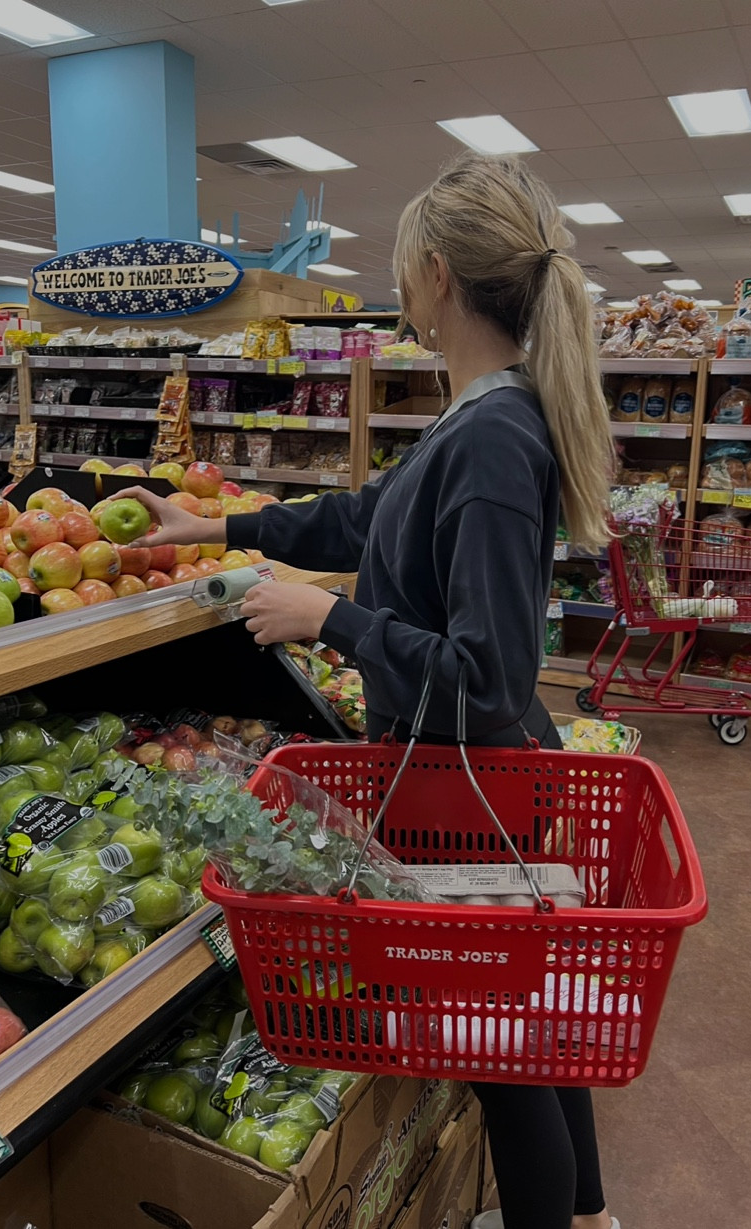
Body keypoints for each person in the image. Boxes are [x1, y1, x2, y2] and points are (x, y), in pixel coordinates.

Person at [116, 153, 618, 1229]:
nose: (395, 279)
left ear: (435, 273)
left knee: (496, 1046)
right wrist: (212, 525)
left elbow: (488, 676)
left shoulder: (490, 436)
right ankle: (584, 1211)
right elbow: (358, 519)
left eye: (399, 261)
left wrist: (328, 619)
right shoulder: (479, 415)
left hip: (468, 783)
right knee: (525, 1021)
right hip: (475, 777)